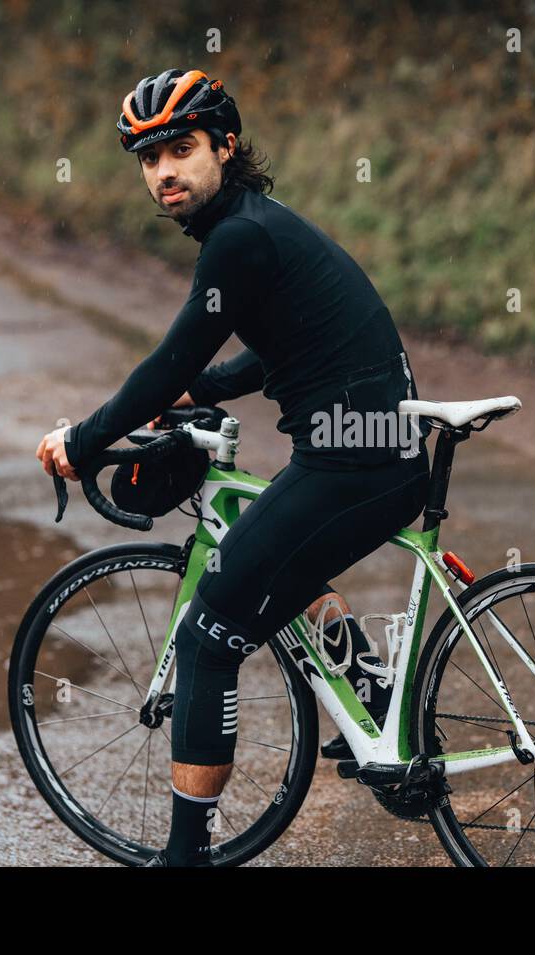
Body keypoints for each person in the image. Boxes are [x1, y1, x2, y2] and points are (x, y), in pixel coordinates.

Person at [34, 68, 433, 866]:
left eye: (180, 150)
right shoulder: (260, 225)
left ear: (226, 145)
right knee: (278, 559)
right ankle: (384, 711)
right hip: (376, 456)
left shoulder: (238, 239)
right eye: (148, 160)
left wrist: (84, 441)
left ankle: (187, 856)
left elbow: (171, 356)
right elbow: (281, 344)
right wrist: (199, 393)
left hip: (353, 465)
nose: (164, 173)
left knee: (211, 635)